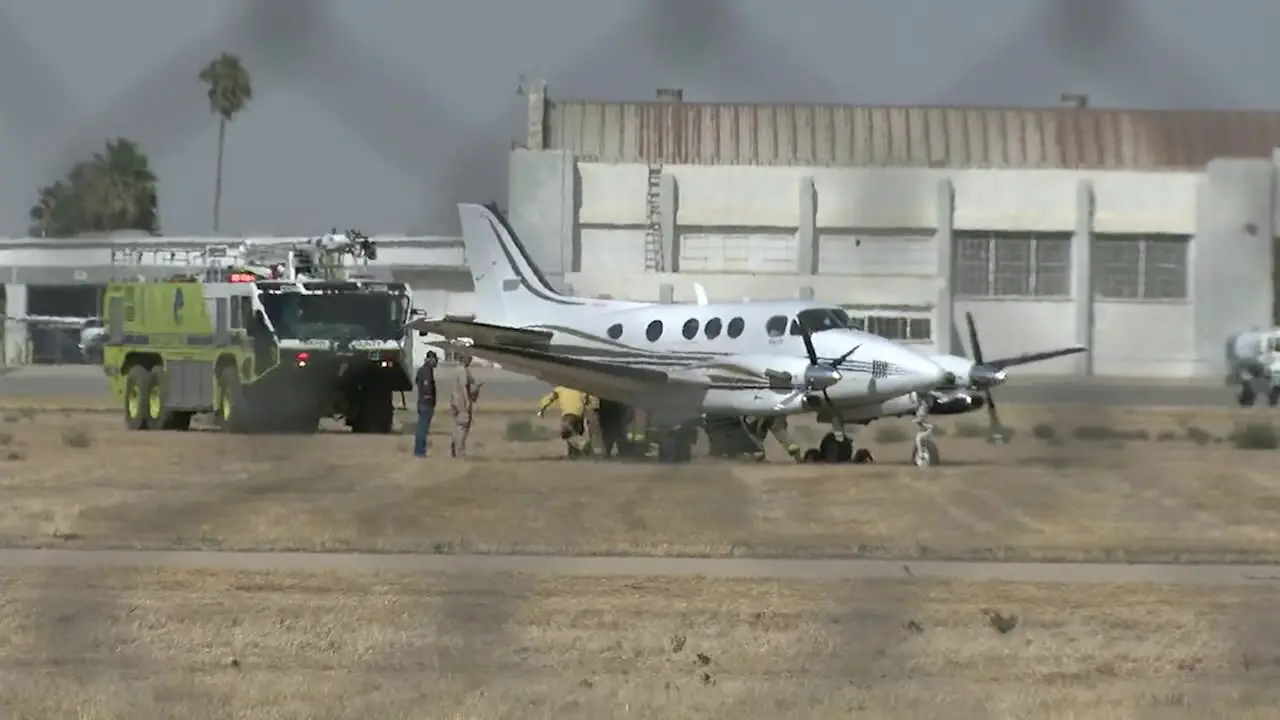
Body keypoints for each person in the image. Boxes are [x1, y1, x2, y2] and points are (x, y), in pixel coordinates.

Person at [538, 386, 592, 457]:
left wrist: (542, 409)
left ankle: (581, 446)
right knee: (575, 432)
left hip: (568, 413)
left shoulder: (560, 388)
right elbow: (587, 400)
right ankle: (574, 453)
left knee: (566, 432)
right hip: (579, 413)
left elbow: (548, 399)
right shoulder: (580, 388)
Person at [450, 354, 482, 458]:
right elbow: (464, 386)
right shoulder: (463, 371)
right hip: (462, 401)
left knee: (457, 425)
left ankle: (455, 445)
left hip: (454, 401)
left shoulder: (456, 370)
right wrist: (467, 401)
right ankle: (459, 450)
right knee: (463, 426)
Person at [412, 350, 439, 457]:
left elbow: (417, 381)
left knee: (421, 427)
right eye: (435, 360)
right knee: (423, 428)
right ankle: (419, 451)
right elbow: (427, 386)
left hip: (421, 402)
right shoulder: (427, 371)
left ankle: (420, 450)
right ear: (430, 359)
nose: (436, 362)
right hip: (426, 403)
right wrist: (429, 397)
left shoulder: (421, 370)